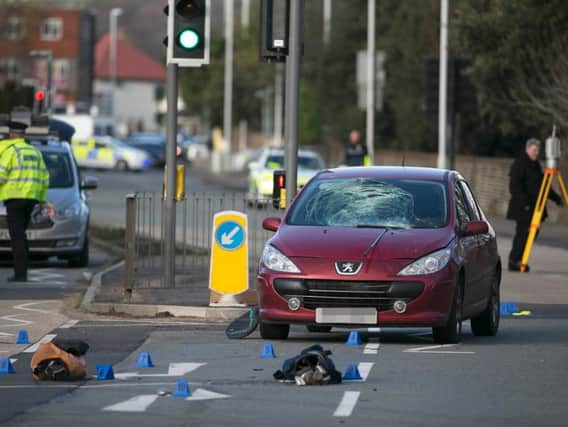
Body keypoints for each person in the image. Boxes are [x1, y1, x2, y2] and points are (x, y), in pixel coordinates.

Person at [0, 119, 50, 282]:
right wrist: (42, 200)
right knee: (21, 235)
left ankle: (20, 274)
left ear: (12, 134)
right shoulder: (35, 152)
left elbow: (1, 175)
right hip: (31, 199)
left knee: (17, 237)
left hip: (14, 198)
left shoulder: (11, 151)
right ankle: (23, 271)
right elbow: (44, 178)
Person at [506, 138, 563, 272]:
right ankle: (514, 260)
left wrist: (556, 198)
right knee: (522, 234)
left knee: (532, 234)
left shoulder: (536, 165)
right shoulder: (519, 164)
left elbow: (543, 186)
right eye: (534, 150)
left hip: (536, 208)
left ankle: (522, 260)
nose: (536, 152)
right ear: (527, 149)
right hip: (524, 208)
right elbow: (514, 187)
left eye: (538, 150)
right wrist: (524, 203)